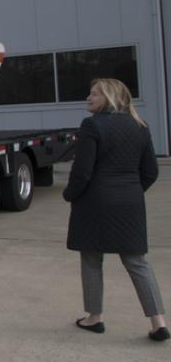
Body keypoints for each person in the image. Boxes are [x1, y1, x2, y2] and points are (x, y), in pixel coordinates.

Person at [64, 78, 169, 341]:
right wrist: (131, 191)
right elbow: (151, 172)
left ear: (110, 98)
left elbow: (82, 172)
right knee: (137, 262)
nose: (89, 98)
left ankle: (95, 318)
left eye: (95, 94)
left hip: (94, 203)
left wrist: (70, 195)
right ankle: (159, 323)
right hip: (130, 203)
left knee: (91, 259)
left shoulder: (92, 125)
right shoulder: (140, 126)